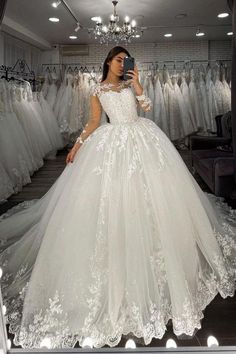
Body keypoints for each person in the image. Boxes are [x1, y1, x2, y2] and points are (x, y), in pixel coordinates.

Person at [0, 46, 235, 349]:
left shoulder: (130, 83)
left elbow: (147, 108)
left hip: (142, 139)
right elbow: (93, 122)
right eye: (119, 59)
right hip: (110, 145)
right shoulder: (98, 89)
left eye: (126, 59)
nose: (123, 63)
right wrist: (77, 146)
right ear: (108, 62)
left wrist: (137, 86)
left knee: (153, 200)